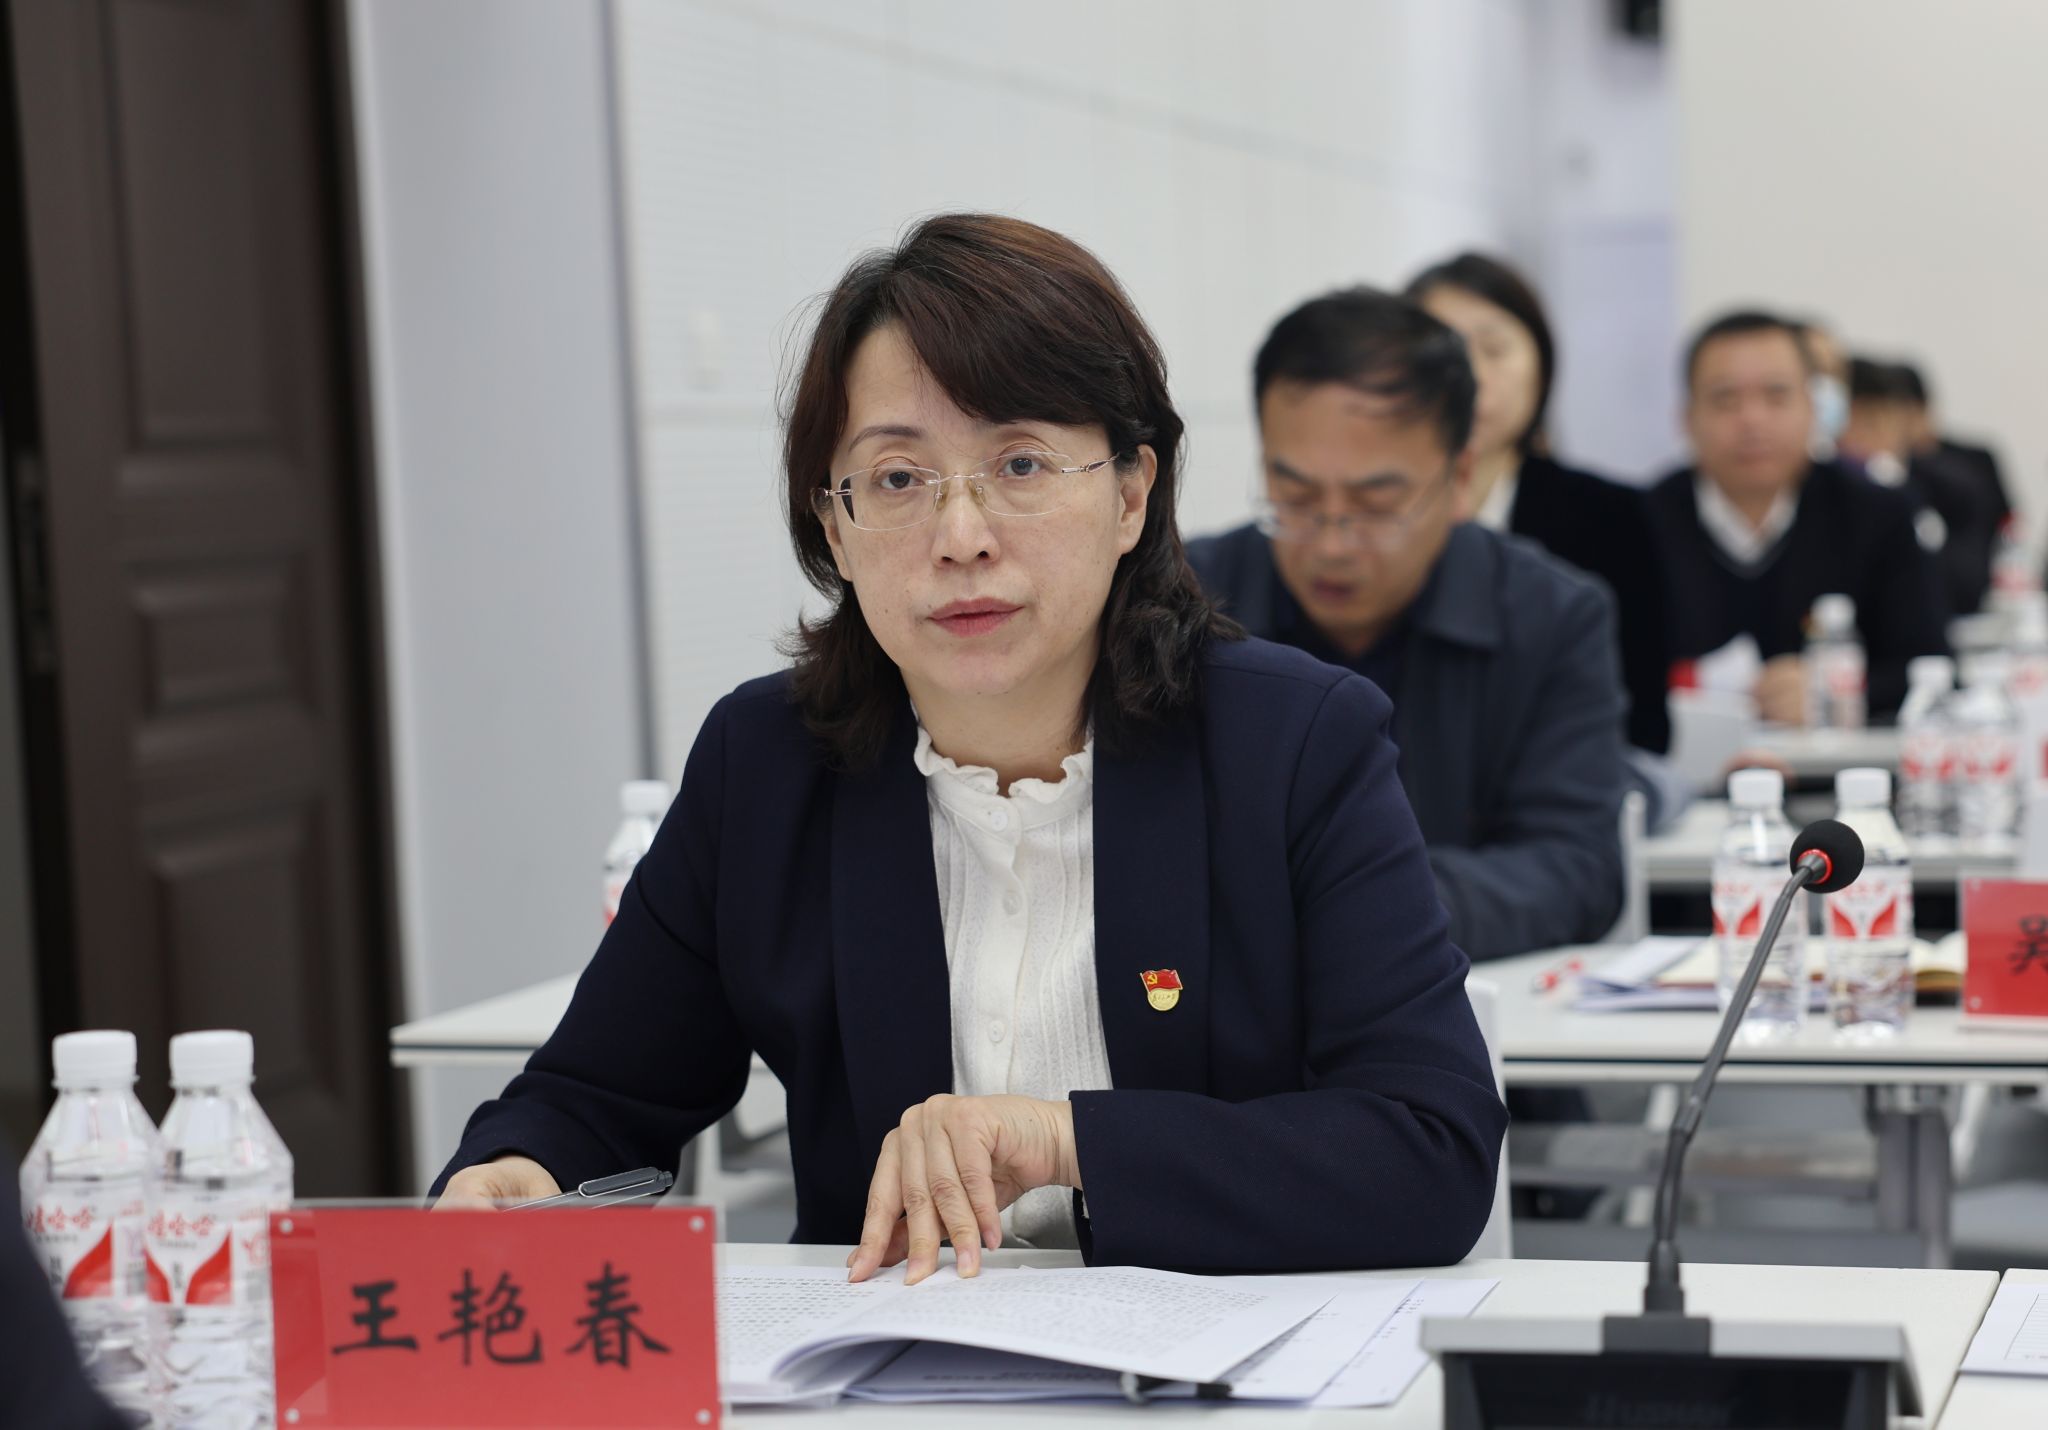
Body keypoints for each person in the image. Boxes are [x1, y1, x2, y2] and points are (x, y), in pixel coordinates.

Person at [431, 216, 1505, 1282]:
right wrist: (519, 1170)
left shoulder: (1295, 744)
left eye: (1020, 463)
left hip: (1216, 1359)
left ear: (1130, 495)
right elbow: (596, 1096)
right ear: (835, 527)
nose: (961, 538)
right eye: (898, 479)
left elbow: (1429, 1149)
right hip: (884, 1355)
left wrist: (1062, 1140)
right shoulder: (765, 763)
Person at [1185, 288, 1627, 962]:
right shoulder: (1184, 604)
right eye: (1295, 496)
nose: (1332, 544)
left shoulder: (1552, 615)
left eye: (1376, 505)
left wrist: (1355, 904)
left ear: (1460, 479)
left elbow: (1576, 867)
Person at [1407, 253, 1673, 755]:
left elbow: (1643, 721)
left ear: (1542, 367)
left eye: (1494, 349)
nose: (1470, 375)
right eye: (1442, 350)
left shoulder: (1611, 516)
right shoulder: (1372, 517)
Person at [1645, 312, 1948, 724]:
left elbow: (1930, 666)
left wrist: (1840, 695)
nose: (1752, 420)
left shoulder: (1879, 512)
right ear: (1686, 418)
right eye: (1725, 399)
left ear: (1813, 408)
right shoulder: (1641, 523)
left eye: (1776, 395)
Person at [1839, 357, 1996, 618]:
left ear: (1905, 421)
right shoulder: (1824, 493)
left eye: (1875, 420)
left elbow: (1967, 588)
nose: (1862, 437)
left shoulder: (1952, 489)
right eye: (1853, 421)